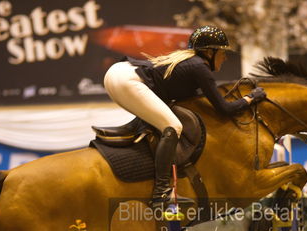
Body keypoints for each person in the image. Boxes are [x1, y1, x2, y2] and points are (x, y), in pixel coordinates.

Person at [103, 25, 266, 208]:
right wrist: (251, 98)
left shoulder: (192, 63)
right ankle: (161, 192)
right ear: (210, 52)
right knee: (173, 127)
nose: (225, 57)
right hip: (126, 80)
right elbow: (224, 109)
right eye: (222, 52)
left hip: (117, 73)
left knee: (161, 116)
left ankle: (134, 128)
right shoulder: (200, 67)